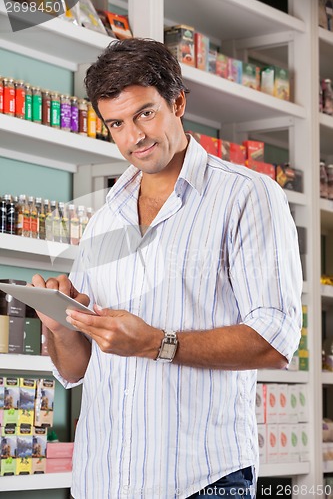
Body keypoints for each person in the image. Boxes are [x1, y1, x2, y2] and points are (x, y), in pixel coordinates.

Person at [32, 38, 302, 499]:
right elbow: (76, 371)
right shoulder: (104, 219)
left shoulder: (247, 196)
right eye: (115, 123)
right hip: (103, 481)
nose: (133, 136)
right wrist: (61, 329)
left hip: (200, 480)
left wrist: (156, 343)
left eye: (145, 113)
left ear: (177, 101)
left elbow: (276, 339)